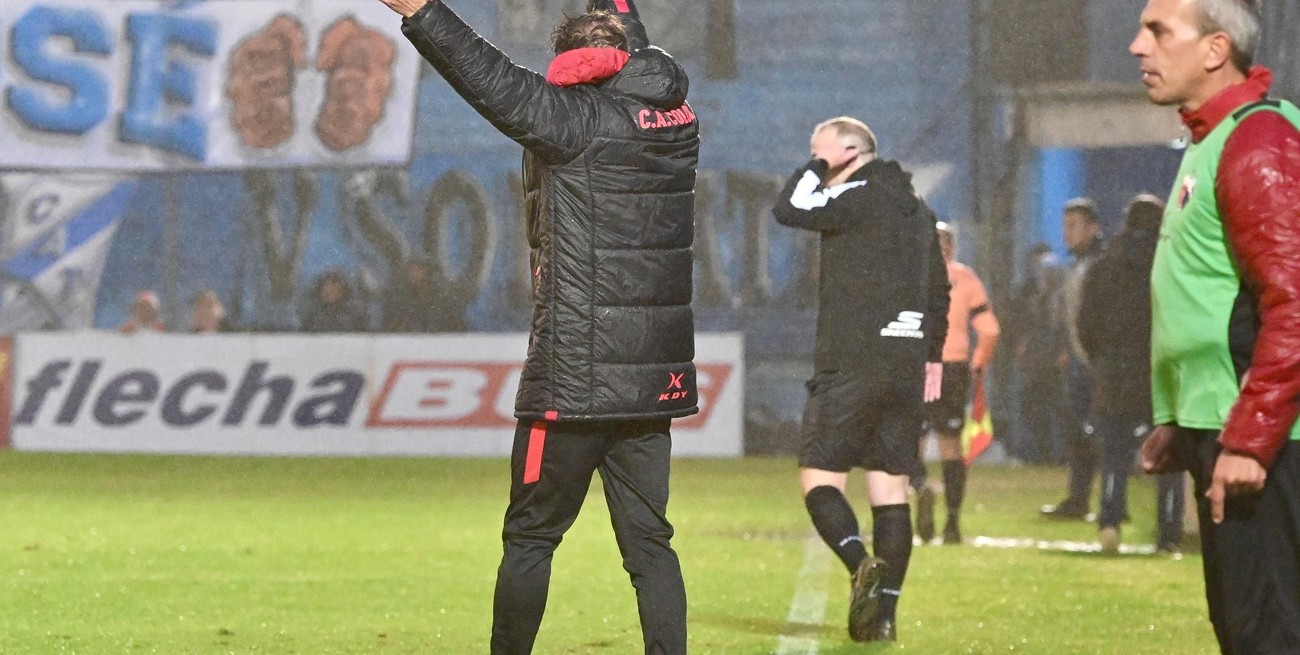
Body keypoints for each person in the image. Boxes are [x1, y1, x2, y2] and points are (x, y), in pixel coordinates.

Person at [376, 0, 698, 652]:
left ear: (574, 68)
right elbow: (629, 40)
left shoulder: (571, 122)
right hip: (647, 386)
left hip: (574, 382)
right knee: (651, 547)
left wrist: (419, 10)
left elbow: (483, 74)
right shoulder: (673, 117)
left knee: (530, 537)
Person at [1132, 0, 1300, 650]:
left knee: (1267, 636)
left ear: (1214, 49)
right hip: (1231, 431)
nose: (1137, 47)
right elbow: (1208, 300)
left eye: (1157, 31)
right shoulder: (1214, 137)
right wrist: (1179, 418)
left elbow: (1291, 299)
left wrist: (1251, 440)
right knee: (1244, 631)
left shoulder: (1257, 138)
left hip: (1265, 442)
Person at [773, 116, 948, 643]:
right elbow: (939, 292)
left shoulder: (856, 196)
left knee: (819, 479)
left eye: (818, 146)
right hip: (906, 365)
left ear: (849, 149)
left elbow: (788, 208)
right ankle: (886, 617)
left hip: (852, 360)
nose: (813, 155)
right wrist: (931, 358)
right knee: (890, 488)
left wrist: (815, 167)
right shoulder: (919, 211)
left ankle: (859, 565)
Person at [1077, 195, 1184, 554]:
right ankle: (1167, 534)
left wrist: (1100, 360)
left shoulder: (1103, 266)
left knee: (1114, 454)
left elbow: (1085, 322)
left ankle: (1109, 523)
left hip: (1113, 372)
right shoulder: (1170, 264)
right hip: (1160, 370)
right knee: (1169, 455)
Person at [911, 222, 1000, 545]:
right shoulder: (965, 279)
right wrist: (977, 365)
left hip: (921, 367)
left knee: (912, 440)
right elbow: (989, 329)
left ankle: (920, 487)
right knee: (951, 446)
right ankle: (951, 523)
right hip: (953, 367)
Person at [1040, 199, 1105, 520]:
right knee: (1076, 430)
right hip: (1078, 361)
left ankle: (1108, 500)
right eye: (1065, 226)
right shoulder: (1077, 264)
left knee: (1100, 432)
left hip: (1096, 362)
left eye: (1074, 225)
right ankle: (1078, 498)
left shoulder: (1101, 263)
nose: (1067, 233)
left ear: (1093, 228)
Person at [1007, 243, 1066, 464]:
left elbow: (1066, 325)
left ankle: (1063, 454)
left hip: (1054, 357)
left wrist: (1064, 351)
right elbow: (1020, 322)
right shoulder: (1030, 293)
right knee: (1032, 405)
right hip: (1036, 357)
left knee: (1061, 407)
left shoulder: (1062, 295)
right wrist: (1020, 345)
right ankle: (1041, 452)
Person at [379, 257, 466, 332]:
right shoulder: (402, 296)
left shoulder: (439, 295)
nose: (414, 274)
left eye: (418, 270)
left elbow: (450, 321)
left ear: (425, 271)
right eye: (412, 270)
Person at [300, 269, 367, 332]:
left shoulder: (352, 315)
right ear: (320, 290)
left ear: (342, 291)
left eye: (335, 289)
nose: (330, 291)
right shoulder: (312, 315)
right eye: (327, 289)